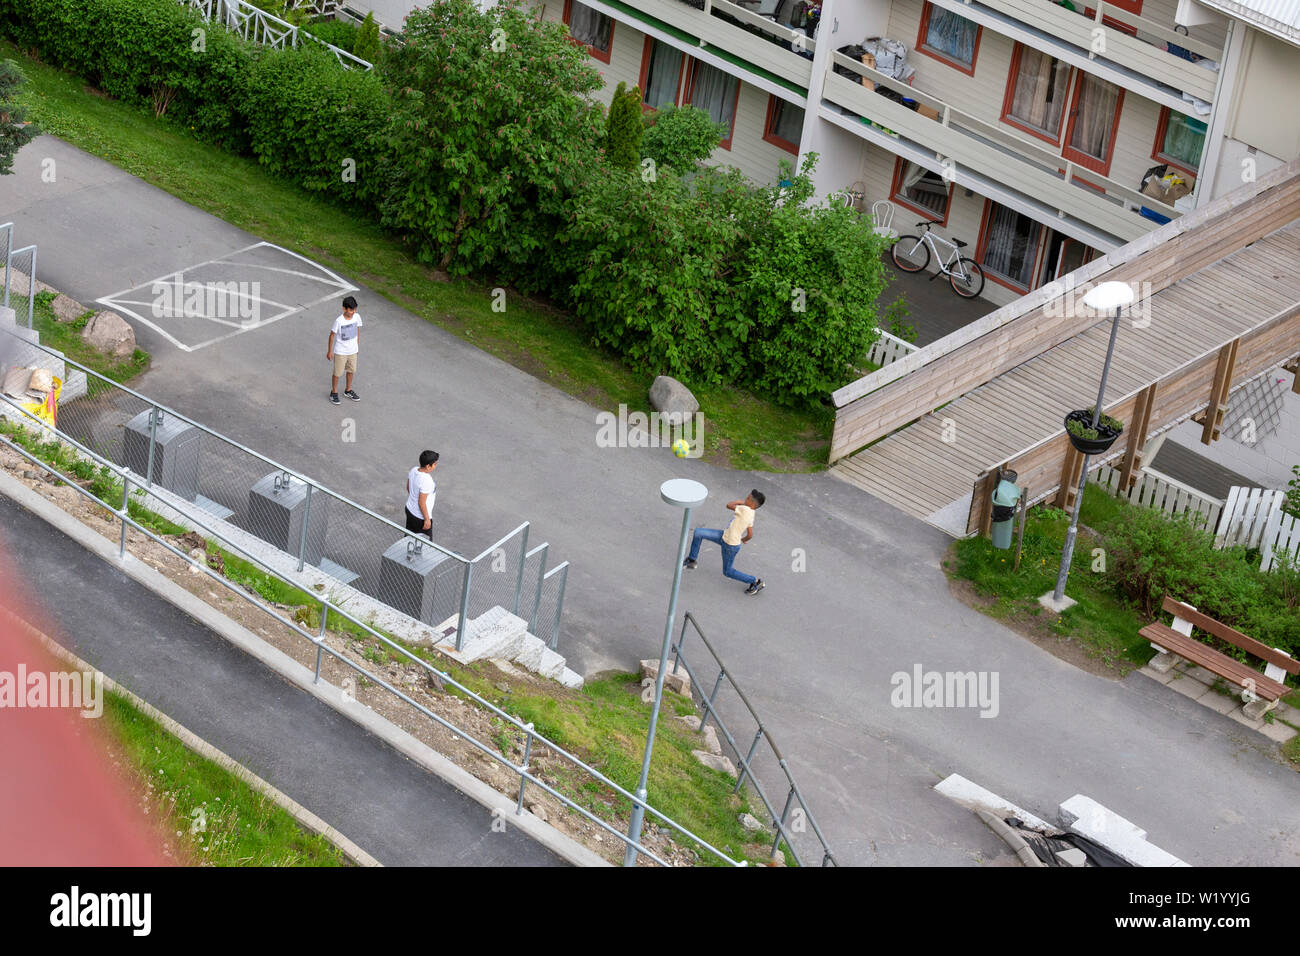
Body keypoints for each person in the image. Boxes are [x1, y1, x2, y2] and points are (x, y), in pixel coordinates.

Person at [683, 489, 766, 594]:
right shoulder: (752, 513)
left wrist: (740, 502)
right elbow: (750, 535)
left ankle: (755, 581)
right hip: (724, 536)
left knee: (728, 572)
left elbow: (729, 505)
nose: (745, 499)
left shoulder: (745, 509)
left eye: (748, 498)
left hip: (729, 546)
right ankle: (691, 560)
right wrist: (742, 540)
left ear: (753, 504)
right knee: (699, 533)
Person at [326, 295, 362, 405]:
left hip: (353, 351)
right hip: (341, 351)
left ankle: (348, 390)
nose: (353, 311)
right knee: (337, 373)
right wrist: (330, 351)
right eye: (351, 309)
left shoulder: (357, 317)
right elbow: (332, 335)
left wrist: (357, 346)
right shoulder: (339, 321)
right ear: (344, 309)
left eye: (355, 309)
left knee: (351, 371)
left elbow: (357, 330)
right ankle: (334, 392)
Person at [405, 450, 439, 539]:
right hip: (420, 517)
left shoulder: (414, 470)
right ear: (428, 466)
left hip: (409, 509)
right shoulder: (426, 480)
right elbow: (421, 503)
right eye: (435, 464)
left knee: (408, 538)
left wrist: (414, 498)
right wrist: (427, 519)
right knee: (425, 546)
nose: (435, 466)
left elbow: (408, 487)